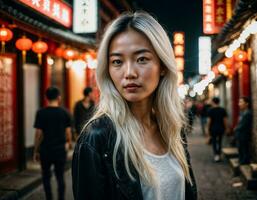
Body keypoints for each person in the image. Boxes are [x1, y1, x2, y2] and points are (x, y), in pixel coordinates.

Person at [72, 11, 197, 200]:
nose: (129, 73)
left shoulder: (171, 128)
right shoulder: (96, 139)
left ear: (163, 66)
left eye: (142, 59)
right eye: (117, 62)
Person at [33, 86, 72, 200]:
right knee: (60, 177)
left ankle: (49, 198)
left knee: (46, 176)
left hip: (45, 150)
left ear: (46, 98)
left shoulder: (41, 113)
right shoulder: (65, 113)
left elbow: (38, 134)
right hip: (60, 149)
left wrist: (35, 150)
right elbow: (68, 132)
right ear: (59, 98)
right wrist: (68, 143)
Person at [207, 97, 228, 162]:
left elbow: (209, 121)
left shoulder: (211, 110)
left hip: (213, 128)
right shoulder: (223, 110)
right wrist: (226, 128)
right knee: (220, 141)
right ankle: (219, 154)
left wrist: (207, 129)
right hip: (221, 128)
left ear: (213, 102)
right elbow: (225, 120)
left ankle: (216, 155)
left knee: (214, 142)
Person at [234, 97, 252, 165]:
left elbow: (243, 125)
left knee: (244, 148)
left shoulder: (247, 113)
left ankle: (244, 161)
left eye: (241, 102)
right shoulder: (243, 112)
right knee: (240, 148)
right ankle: (241, 160)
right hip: (240, 135)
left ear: (247, 104)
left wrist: (236, 128)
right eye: (239, 102)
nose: (239, 104)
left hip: (244, 135)